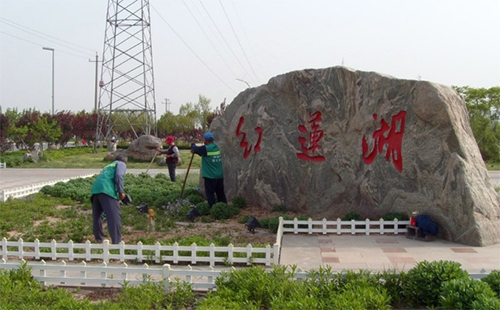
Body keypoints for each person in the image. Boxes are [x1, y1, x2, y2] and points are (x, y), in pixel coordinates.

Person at [90, 153, 127, 244]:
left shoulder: (108, 166)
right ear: (125, 161)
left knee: (98, 216)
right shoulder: (121, 164)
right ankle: (116, 241)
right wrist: (120, 191)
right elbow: (119, 176)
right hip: (106, 190)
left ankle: (99, 239)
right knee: (114, 216)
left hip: (95, 190)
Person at [191, 132, 227, 207]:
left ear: (205, 140)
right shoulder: (216, 147)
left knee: (210, 194)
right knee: (220, 193)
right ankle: (224, 207)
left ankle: (212, 208)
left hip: (210, 176)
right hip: (219, 175)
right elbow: (204, 154)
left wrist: (192, 144)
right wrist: (197, 152)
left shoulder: (206, 148)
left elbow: (196, 148)